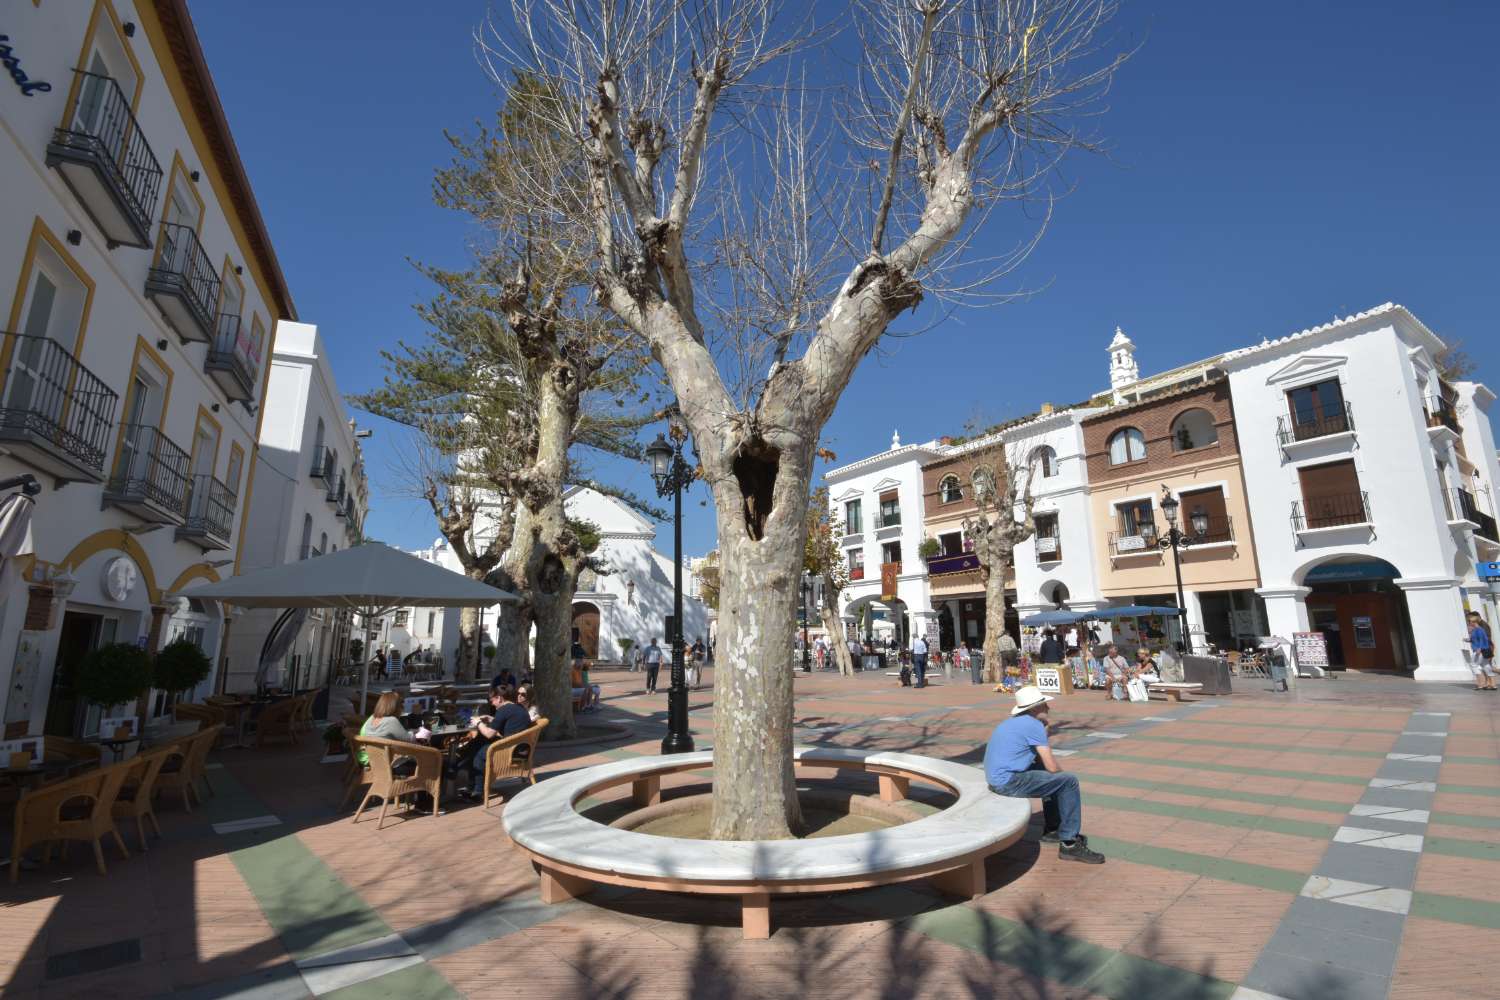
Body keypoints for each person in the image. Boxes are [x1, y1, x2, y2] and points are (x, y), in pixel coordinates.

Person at [985, 685, 1104, 864]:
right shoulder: (1033, 725)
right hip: (1008, 781)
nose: (1049, 708)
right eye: (1044, 704)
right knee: (1068, 782)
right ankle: (1069, 844)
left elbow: (1042, 762)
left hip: (996, 778)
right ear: (1034, 708)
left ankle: (1053, 829)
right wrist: (1061, 781)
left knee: (1044, 771)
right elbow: (1052, 767)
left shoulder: (1014, 722)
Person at [453, 685, 534, 800]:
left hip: (508, 751)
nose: (492, 704)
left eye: (492, 700)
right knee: (478, 742)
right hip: (518, 748)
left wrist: (478, 723)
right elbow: (509, 724)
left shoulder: (503, 710)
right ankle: (462, 773)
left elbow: (489, 734)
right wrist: (491, 719)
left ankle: (477, 792)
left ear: (499, 698)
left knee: (479, 754)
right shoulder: (517, 708)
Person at [358, 691, 417, 774]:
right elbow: (409, 740)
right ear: (395, 707)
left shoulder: (372, 718)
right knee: (435, 762)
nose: (402, 708)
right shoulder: (391, 721)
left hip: (375, 762)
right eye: (400, 705)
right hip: (391, 766)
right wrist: (414, 732)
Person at [1467, 612, 1496, 690]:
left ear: (1475, 619)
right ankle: (1491, 684)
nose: (1469, 623)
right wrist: (1469, 640)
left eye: (1470, 620)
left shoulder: (1481, 627)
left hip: (1482, 650)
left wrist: (1480, 648)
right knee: (1486, 666)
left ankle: (1482, 684)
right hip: (1484, 649)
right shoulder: (1479, 628)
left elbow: (1484, 639)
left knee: (1474, 665)